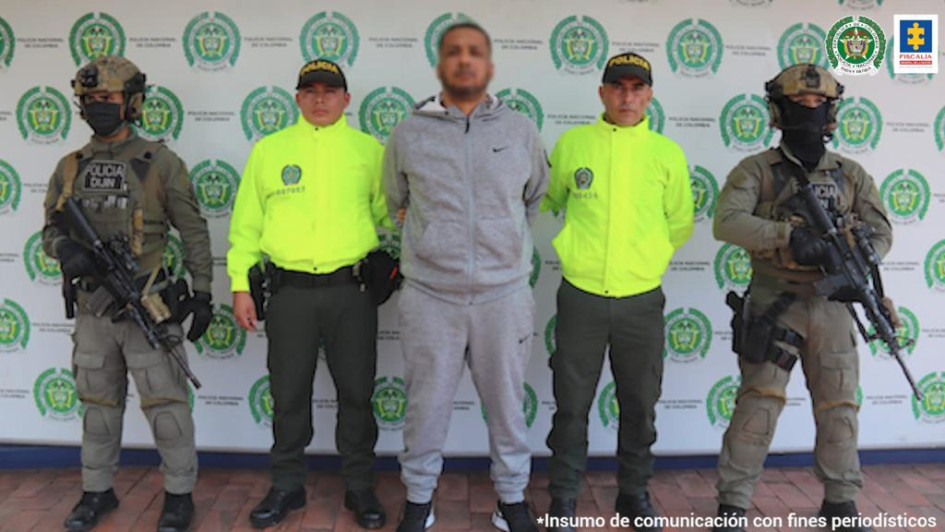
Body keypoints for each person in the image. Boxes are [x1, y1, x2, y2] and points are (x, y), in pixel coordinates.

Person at [711, 64, 892, 532]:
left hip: (832, 309)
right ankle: (733, 506)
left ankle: (841, 505)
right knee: (759, 402)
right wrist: (786, 237)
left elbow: (881, 235)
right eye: (798, 104)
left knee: (838, 407)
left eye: (817, 105)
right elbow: (727, 222)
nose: (808, 112)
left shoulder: (852, 176)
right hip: (777, 302)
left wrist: (844, 253)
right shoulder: (758, 171)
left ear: (831, 113)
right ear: (778, 110)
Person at [383, 22, 549, 532]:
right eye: (453, 53)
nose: (464, 61)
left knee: (506, 407)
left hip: (503, 295)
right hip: (431, 296)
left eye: (475, 53)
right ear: (441, 65)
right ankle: (418, 499)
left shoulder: (519, 128)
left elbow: (534, 195)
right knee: (425, 408)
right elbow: (396, 200)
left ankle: (512, 499)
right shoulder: (409, 131)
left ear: (489, 65)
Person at [42, 55, 213, 532]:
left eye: (109, 99)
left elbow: (194, 232)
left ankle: (179, 496)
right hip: (95, 312)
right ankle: (97, 491)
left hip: (148, 304)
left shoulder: (159, 163)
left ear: (132, 102)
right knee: (98, 407)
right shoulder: (70, 168)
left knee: (166, 406)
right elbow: (49, 232)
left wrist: (202, 293)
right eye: (92, 99)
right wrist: (66, 252)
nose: (100, 106)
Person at [227, 59, 390, 530]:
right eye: (311, 91)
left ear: (346, 99)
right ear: (297, 98)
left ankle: (360, 487)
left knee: (357, 392)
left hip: (350, 292)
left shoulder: (369, 150)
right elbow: (246, 226)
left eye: (330, 91)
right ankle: (286, 484)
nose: (321, 99)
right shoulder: (270, 150)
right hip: (290, 293)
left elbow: (389, 211)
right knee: (288, 392)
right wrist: (241, 284)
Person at [541, 52, 694, 532]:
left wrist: (643, 262)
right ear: (603, 92)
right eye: (618, 87)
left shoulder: (666, 154)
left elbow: (680, 224)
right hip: (581, 295)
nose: (627, 97)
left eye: (637, 88)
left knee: (640, 402)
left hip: (641, 300)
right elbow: (550, 200)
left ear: (649, 95)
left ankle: (633, 493)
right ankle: (564, 495)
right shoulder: (572, 144)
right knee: (571, 404)